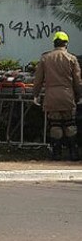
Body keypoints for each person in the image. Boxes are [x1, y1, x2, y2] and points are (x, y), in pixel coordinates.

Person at [33, 31, 82, 161]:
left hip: (51, 96)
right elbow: (77, 80)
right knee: (70, 124)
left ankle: (56, 153)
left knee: (55, 125)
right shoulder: (72, 58)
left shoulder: (45, 58)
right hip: (68, 96)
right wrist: (79, 95)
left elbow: (38, 79)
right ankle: (73, 153)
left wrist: (36, 94)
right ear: (66, 43)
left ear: (54, 43)